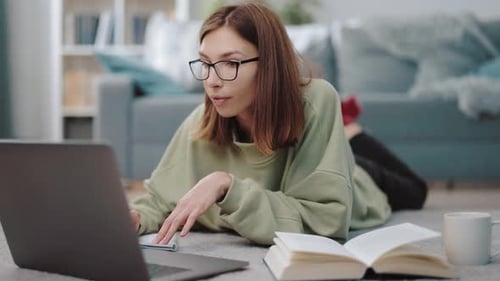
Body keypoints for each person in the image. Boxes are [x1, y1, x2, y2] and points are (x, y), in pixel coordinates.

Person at [129, 2, 426, 246]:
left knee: (415, 190)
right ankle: (343, 133)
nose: (213, 80)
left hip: (357, 179)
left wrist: (225, 184)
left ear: (268, 63)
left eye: (230, 63)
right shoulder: (202, 120)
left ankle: (350, 132)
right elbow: (159, 201)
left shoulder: (318, 97)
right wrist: (136, 218)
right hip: (309, 148)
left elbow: (324, 223)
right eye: (206, 63)